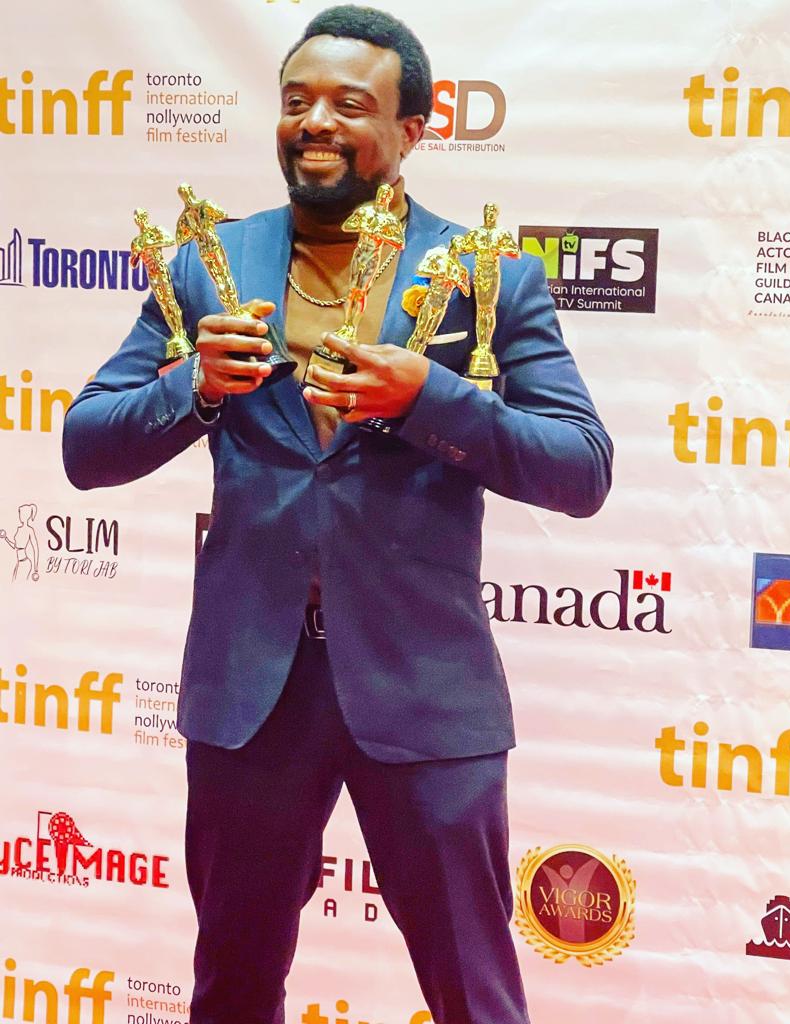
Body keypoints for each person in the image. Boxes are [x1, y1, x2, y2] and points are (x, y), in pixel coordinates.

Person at [62, 6, 613, 1023]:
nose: (315, 122)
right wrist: (192, 389)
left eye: (350, 105)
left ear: (414, 129)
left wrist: (430, 399)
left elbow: (581, 468)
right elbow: (85, 447)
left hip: (425, 689)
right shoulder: (204, 265)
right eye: (296, 101)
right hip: (249, 696)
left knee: (476, 996)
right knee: (231, 986)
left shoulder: (490, 278)